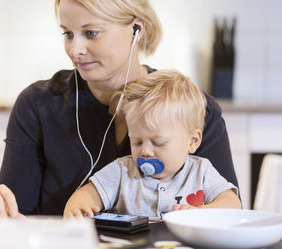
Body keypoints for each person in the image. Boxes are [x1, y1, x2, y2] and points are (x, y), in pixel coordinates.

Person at [0, 0, 239, 217]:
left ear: (136, 29)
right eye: (67, 33)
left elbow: (228, 218)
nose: (74, 50)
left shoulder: (192, 110)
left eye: (91, 33)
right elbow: (17, 217)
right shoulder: (37, 106)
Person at [63, 70, 242, 218]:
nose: (146, 151)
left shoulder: (200, 171)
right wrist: (78, 207)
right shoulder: (122, 171)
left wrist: (201, 213)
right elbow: (87, 194)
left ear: (192, 141)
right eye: (137, 141)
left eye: (159, 142)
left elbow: (232, 204)